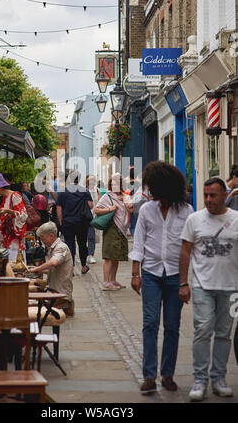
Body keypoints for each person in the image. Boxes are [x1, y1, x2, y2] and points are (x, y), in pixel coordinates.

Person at [129, 161, 194, 394]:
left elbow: (189, 248)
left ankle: (167, 374)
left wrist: (187, 282)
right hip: (151, 274)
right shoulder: (147, 210)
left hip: (176, 276)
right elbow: (138, 243)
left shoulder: (187, 212)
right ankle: (149, 376)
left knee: (173, 326)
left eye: (155, 187)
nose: (151, 192)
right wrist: (135, 273)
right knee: (150, 324)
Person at [179, 177, 238, 401]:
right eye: (205, 195)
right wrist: (183, 283)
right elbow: (185, 251)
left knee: (224, 334)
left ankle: (219, 378)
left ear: (225, 196)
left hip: (232, 287)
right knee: (202, 331)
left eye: (213, 195)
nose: (208, 199)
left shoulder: (236, 219)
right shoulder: (194, 219)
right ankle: (200, 379)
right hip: (203, 285)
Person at [95, 173, 132, 291]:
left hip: (122, 229)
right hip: (112, 228)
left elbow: (130, 209)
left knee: (116, 257)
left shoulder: (125, 196)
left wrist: (127, 203)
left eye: (117, 183)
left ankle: (113, 280)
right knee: (109, 256)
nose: (114, 185)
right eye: (112, 183)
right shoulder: (107, 196)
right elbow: (96, 209)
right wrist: (109, 209)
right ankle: (106, 282)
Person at [28, 221, 74, 316]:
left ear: (51, 236)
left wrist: (37, 269)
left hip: (60, 292)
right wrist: (38, 269)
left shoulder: (61, 247)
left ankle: (66, 304)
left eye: (42, 238)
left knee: (34, 307)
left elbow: (54, 262)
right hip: (54, 289)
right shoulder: (53, 247)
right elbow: (53, 269)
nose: (42, 240)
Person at [56, 170, 93, 274]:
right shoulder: (84, 191)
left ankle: (71, 268)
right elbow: (90, 205)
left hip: (68, 222)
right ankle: (83, 266)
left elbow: (59, 208)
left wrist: (61, 221)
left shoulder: (63, 191)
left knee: (69, 244)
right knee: (82, 244)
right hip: (82, 222)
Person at [86, 174, 101, 264]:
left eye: (93, 182)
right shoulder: (84, 191)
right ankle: (85, 254)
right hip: (84, 217)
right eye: (90, 182)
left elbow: (100, 203)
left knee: (91, 237)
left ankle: (91, 255)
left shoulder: (97, 191)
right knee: (84, 238)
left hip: (93, 217)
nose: (91, 184)